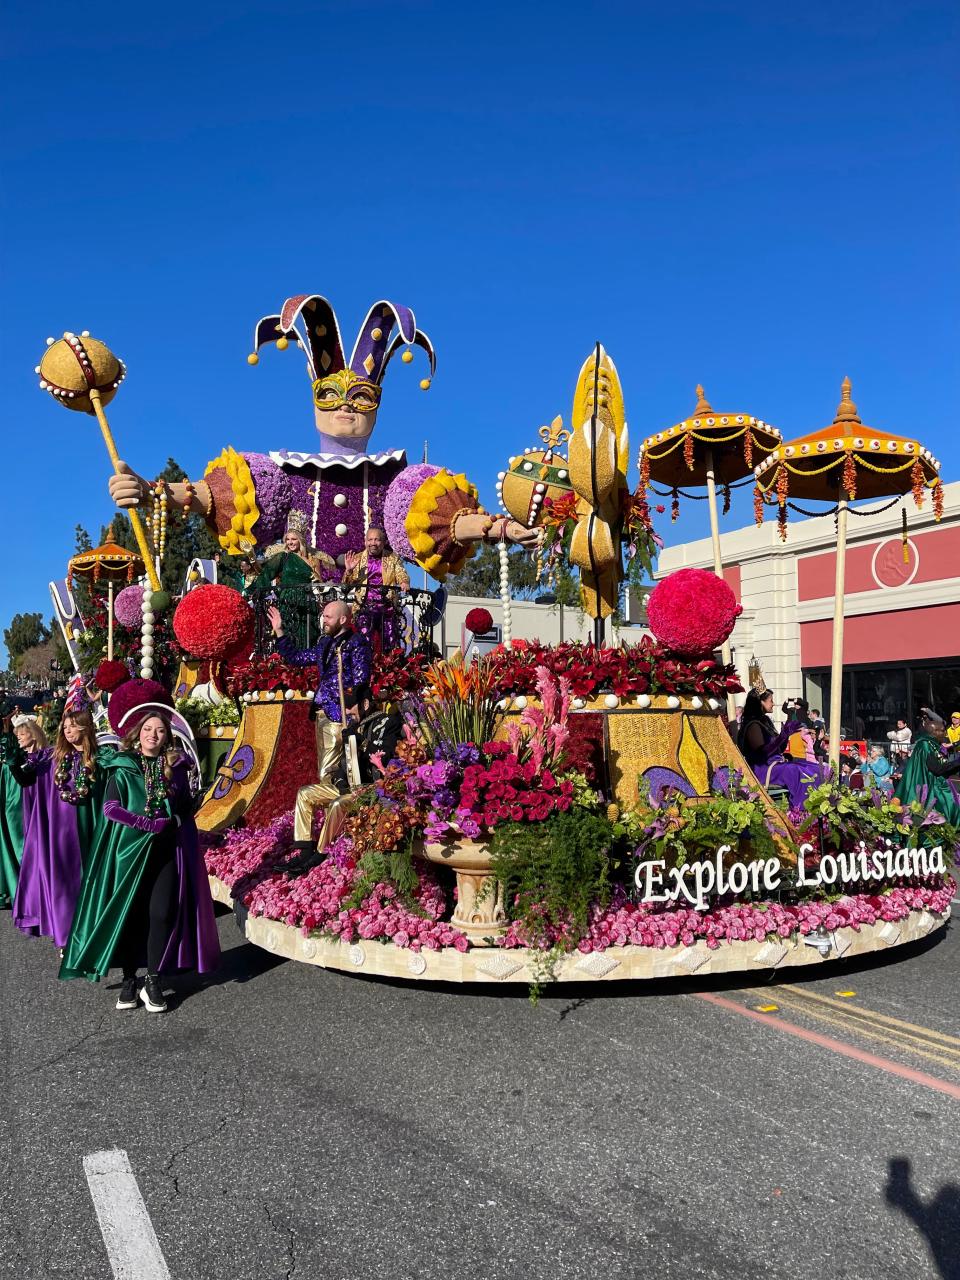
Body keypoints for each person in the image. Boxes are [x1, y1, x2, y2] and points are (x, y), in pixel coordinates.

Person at [106, 293, 540, 587]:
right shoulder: (282, 475)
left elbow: (433, 522)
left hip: (371, 616)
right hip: (299, 615)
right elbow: (224, 497)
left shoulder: (396, 482)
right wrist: (152, 492)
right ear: (313, 402)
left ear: (378, 405)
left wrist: (496, 527)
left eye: (362, 397)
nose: (346, 407)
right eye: (331, 395)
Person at [61, 689, 219, 1011]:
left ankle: (154, 979)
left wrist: (172, 819)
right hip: (128, 854)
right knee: (130, 916)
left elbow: (187, 809)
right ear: (138, 733)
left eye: (160, 731)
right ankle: (131, 978)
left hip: (163, 852)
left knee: (161, 913)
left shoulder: (174, 769)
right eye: (148, 729)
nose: (153, 735)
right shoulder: (123, 766)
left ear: (166, 737)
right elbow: (110, 808)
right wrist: (144, 824)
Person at [11, 682, 112, 950]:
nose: (67, 731)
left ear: (85, 728)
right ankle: (67, 940)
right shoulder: (52, 758)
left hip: (91, 829)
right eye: (64, 727)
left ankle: (93, 934)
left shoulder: (100, 759)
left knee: (91, 883)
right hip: (60, 833)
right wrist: (13, 764)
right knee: (65, 885)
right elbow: (26, 778)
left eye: (72, 726)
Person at [267, 599, 373, 851]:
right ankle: (317, 840)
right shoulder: (325, 643)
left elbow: (361, 678)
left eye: (328, 617)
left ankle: (329, 840)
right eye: (323, 616)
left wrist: (354, 704)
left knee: (329, 778)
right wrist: (280, 631)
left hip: (340, 716)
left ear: (343, 620)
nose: (323, 620)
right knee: (325, 775)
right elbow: (295, 657)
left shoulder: (356, 643)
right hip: (323, 714)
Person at [249, 510, 338, 648]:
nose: (290, 542)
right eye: (287, 539)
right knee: (290, 636)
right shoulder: (283, 557)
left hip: (308, 603)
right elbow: (266, 574)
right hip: (289, 602)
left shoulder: (312, 560)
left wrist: (317, 580)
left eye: (293, 539)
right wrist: (254, 591)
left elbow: (319, 584)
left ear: (301, 540)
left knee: (309, 636)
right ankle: (288, 666)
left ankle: (306, 668)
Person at [737, 686, 830, 811]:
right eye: (771, 700)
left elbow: (779, 750)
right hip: (763, 769)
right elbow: (762, 752)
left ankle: (819, 809)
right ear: (761, 702)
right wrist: (782, 735)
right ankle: (800, 813)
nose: (774, 704)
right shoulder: (753, 725)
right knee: (797, 771)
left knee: (816, 767)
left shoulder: (765, 721)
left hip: (776, 765)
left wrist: (786, 735)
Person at [342, 525, 410, 652]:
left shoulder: (393, 558)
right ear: (365, 541)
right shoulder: (357, 558)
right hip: (364, 606)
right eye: (370, 540)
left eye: (377, 540)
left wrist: (404, 582)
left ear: (383, 542)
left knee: (390, 642)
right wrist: (349, 571)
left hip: (387, 606)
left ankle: (389, 669)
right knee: (364, 641)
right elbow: (346, 585)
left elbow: (401, 573)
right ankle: (363, 667)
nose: (373, 543)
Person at [894, 707, 960, 826]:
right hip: (929, 790)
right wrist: (957, 762)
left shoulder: (930, 744)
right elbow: (937, 769)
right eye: (941, 731)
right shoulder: (926, 745)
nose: (944, 733)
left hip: (932, 786)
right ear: (934, 732)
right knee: (950, 809)